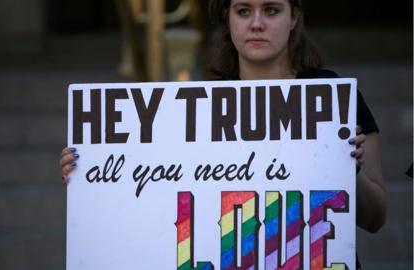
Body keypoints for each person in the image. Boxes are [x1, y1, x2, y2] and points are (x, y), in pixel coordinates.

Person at [60, 0, 386, 267]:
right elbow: (154, 205)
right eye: (243, 11)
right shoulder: (201, 109)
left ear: (294, 18)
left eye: (271, 10)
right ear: (227, 17)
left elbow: (375, 217)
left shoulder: (332, 98)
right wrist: (90, 173)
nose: (256, 23)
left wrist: (347, 169)